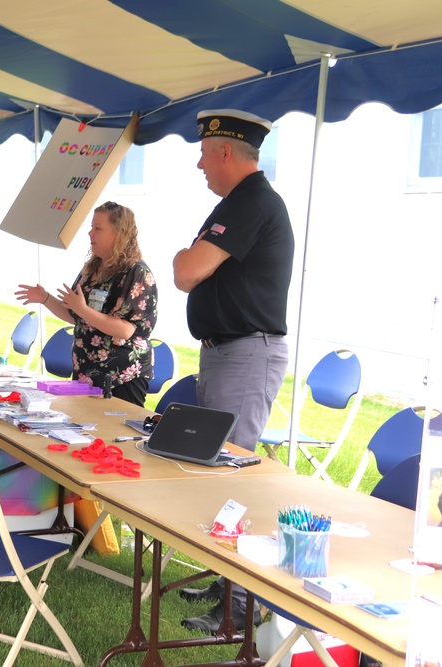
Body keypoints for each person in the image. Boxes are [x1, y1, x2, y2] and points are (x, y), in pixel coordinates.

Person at [173, 109, 294, 633]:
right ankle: (227, 580)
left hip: (245, 353)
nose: (200, 164)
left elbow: (186, 271)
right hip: (229, 351)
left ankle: (243, 606)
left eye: (204, 153)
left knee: (235, 472)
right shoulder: (238, 204)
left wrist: (185, 254)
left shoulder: (251, 202)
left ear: (226, 151)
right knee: (222, 469)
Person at [16, 201, 158, 406]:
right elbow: (75, 316)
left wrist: (82, 309)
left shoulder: (136, 273)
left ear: (119, 233)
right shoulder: (93, 268)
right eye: (91, 227)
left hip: (121, 377)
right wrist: (45, 298)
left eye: (98, 229)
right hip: (87, 372)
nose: (90, 233)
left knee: (115, 435)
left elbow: (126, 330)